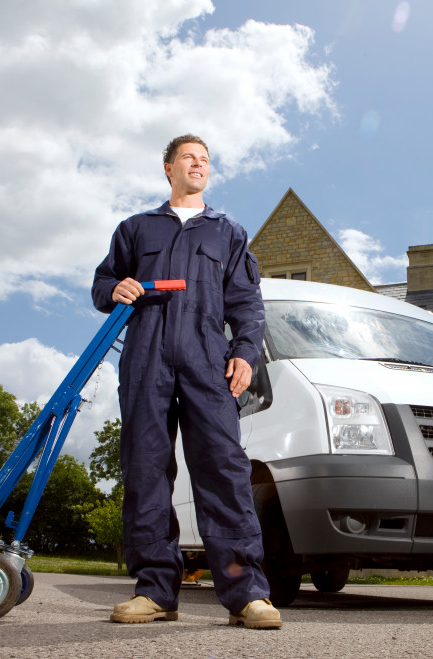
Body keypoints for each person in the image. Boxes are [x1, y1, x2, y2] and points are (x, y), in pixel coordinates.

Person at [91, 134, 280, 629]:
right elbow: (101, 284)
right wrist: (117, 287)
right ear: (168, 168)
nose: (198, 165)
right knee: (146, 470)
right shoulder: (135, 228)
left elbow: (247, 303)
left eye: (205, 160)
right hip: (146, 359)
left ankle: (246, 594)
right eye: (189, 159)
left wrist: (243, 352)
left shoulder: (227, 232)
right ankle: (155, 592)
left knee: (223, 470)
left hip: (206, 361)